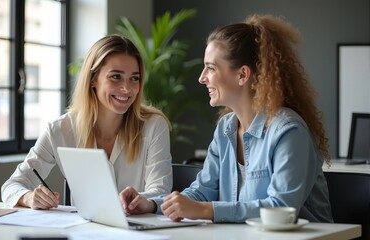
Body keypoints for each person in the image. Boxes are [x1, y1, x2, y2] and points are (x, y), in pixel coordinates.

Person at [119, 14, 333, 223]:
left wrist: (206, 210)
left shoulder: (288, 131)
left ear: (242, 75)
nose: (202, 78)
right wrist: (152, 205)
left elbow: (280, 208)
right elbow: (202, 193)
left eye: (210, 68)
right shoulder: (226, 128)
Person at [1, 34, 173, 210]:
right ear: (93, 80)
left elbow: (161, 192)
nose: (127, 88)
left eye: (134, 78)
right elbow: (11, 186)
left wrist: (141, 201)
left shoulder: (154, 126)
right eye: (116, 77)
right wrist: (29, 197)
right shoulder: (60, 130)